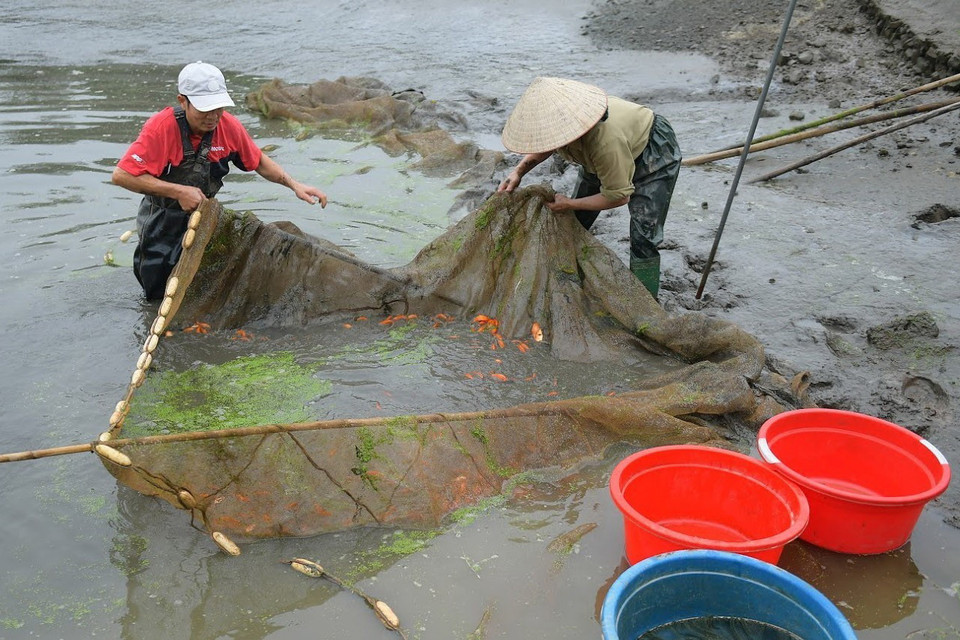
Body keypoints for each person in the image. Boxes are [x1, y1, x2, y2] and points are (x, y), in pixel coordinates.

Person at [112, 61, 328, 300]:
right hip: (161, 220)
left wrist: (295, 185)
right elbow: (122, 175)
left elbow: (259, 162)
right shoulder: (161, 128)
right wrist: (179, 192)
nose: (213, 116)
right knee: (157, 288)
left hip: (203, 217)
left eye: (219, 108)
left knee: (199, 284)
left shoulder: (228, 126)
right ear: (183, 101)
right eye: (205, 109)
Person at [497, 76, 681, 299]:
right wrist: (518, 171)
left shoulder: (604, 143)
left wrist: (570, 202)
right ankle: (566, 277)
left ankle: (645, 304)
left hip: (653, 152)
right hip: (600, 152)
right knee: (575, 220)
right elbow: (547, 144)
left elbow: (618, 197)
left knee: (643, 236)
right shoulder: (566, 124)